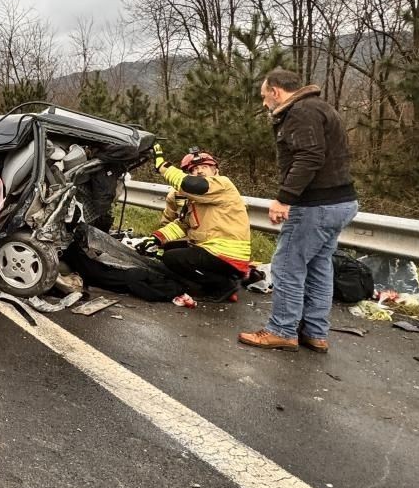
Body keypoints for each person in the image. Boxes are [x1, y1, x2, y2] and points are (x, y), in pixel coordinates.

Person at [239, 68, 358, 352]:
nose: (264, 102)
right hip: (341, 201)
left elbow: (309, 156)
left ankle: (282, 330)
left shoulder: (300, 113)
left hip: (315, 204)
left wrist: (284, 198)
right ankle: (315, 333)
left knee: (287, 266)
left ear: (276, 92)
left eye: (264, 95)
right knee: (319, 267)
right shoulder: (321, 107)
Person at [150, 146, 251, 301]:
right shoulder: (195, 200)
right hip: (215, 252)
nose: (200, 171)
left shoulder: (222, 184)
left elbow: (195, 185)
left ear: (215, 170)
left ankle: (222, 286)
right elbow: (183, 224)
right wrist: (156, 239)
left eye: (205, 167)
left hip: (225, 253)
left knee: (172, 258)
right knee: (168, 248)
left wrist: (164, 167)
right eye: (194, 169)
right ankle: (219, 282)